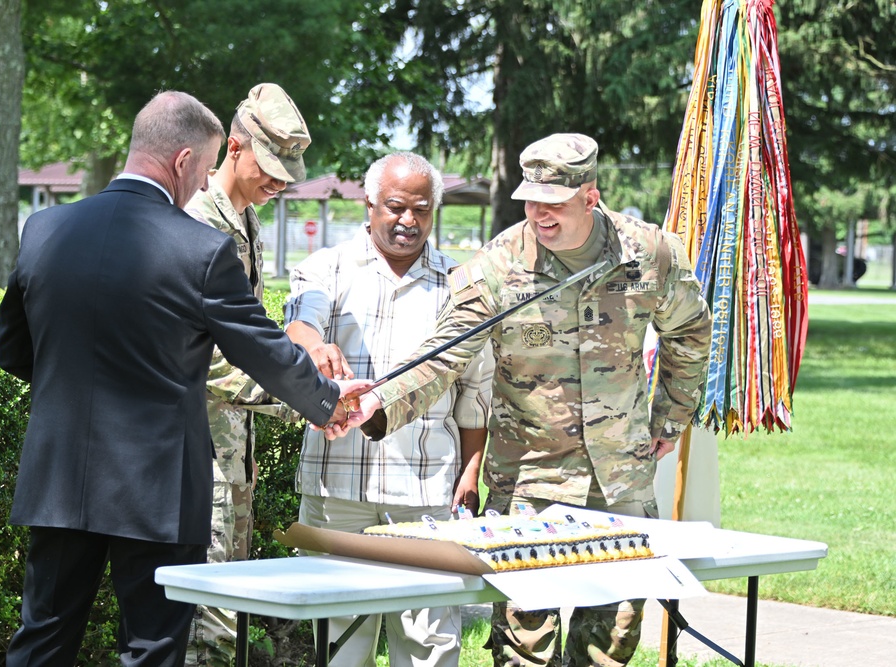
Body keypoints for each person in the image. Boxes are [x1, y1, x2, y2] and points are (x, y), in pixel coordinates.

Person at [0, 90, 366, 666]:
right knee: (151, 648)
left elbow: (16, 351)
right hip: (158, 490)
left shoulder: (44, 229)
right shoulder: (200, 248)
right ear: (183, 160)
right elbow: (262, 349)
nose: (200, 187)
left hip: (59, 479)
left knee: (42, 640)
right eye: (202, 170)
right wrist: (326, 400)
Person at [347, 134, 713, 667]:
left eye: (555, 203)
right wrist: (378, 403)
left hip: (619, 481)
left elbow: (691, 330)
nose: (539, 213)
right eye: (530, 199)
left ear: (590, 196)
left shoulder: (648, 252)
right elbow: (443, 355)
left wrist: (671, 415)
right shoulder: (495, 266)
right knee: (524, 649)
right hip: (528, 482)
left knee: (610, 645)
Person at [284, 152, 493, 667]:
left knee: (429, 643)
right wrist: (314, 348)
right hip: (337, 490)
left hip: (424, 491)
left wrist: (471, 472)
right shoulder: (325, 268)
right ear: (370, 203)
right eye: (396, 207)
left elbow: (476, 391)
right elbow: (300, 321)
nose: (408, 221)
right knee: (337, 640)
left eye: (422, 210)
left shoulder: (461, 283)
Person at [182, 82, 309, 667]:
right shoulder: (195, 219)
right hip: (196, 449)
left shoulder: (245, 220)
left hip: (233, 451)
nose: (279, 184)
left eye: (288, 173)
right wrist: (300, 397)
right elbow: (203, 357)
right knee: (206, 614)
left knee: (226, 605)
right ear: (234, 146)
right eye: (271, 168)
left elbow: (250, 334)